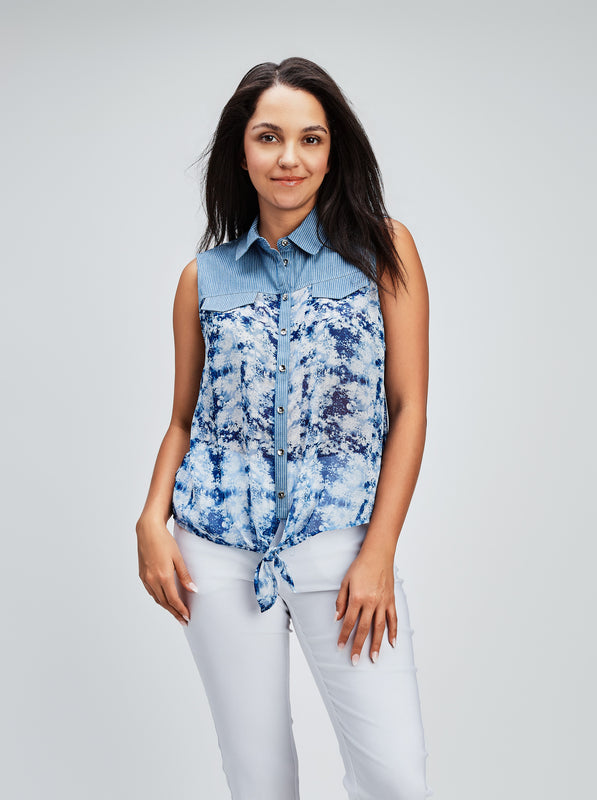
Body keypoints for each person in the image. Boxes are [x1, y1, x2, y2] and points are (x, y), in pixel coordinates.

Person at [136, 57, 432, 800]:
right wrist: (150, 518)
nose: (290, 158)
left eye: (311, 138)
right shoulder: (203, 279)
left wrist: (379, 552)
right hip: (216, 550)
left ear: (333, 152)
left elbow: (409, 408)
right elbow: (184, 419)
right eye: (269, 137)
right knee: (259, 780)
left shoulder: (384, 251)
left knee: (395, 778)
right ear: (243, 151)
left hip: (343, 545)